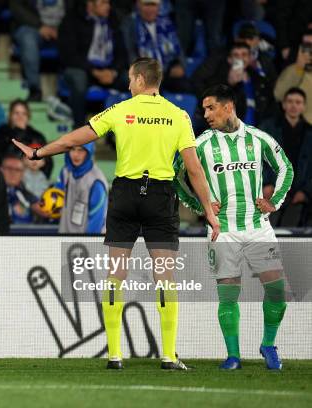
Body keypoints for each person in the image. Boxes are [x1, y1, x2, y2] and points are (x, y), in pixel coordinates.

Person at [13, 57, 219, 370]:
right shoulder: (178, 115)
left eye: (129, 78)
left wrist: (38, 152)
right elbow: (194, 169)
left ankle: (114, 355)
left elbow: (75, 139)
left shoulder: (121, 110)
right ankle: (168, 355)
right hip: (160, 196)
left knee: (115, 275)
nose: (127, 84)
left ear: (138, 79)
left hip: (125, 194)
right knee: (164, 275)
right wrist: (209, 212)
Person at [174, 84, 294, 370]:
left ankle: (268, 345)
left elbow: (286, 168)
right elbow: (175, 176)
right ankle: (233, 356)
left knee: (277, 291)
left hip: (257, 227)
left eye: (210, 107)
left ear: (229, 107)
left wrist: (274, 201)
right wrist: (200, 207)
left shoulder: (257, 138)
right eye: (203, 109)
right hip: (222, 229)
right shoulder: (201, 143)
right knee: (229, 291)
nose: (205, 114)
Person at [58, 0, 128, 127]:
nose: (108, 7)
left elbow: (122, 54)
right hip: (82, 69)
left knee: (136, 80)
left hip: (108, 71)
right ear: (90, 4)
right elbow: (69, 55)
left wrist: (113, 71)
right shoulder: (72, 20)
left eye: (108, 3)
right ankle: (78, 128)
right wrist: (94, 71)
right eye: (103, 3)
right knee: (78, 79)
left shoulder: (113, 20)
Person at [260, 87, 312, 227]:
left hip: (298, 195)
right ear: (283, 105)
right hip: (272, 191)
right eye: (290, 101)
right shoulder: (268, 128)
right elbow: (256, 158)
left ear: (304, 106)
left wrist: (305, 192)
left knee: (292, 235)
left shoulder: (309, 133)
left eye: (298, 102)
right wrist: (265, 184)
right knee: (268, 235)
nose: (293, 105)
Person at [192, 42, 275, 127]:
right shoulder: (219, 79)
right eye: (236, 55)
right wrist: (229, 83)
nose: (240, 58)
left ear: (250, 58)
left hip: (255, 129)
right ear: (230, 59)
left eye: (244, 54)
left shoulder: (258, 79)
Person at [0, 99, 52, 178]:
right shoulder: (1, 133)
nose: (20, 116)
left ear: (28, 116)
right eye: (16, 113)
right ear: (10, 115)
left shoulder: (37, 136)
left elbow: (48, 163)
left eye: (23, 113)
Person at [56, 142, 108, 233]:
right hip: (64, 236)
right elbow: (56, 196)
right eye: (72, 149)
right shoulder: (65, 171)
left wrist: (88, 243)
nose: (76, 154)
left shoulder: (96, 182)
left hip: (87, 241)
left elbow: (96, 222)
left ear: (89, 152)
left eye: (81, 150)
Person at [121, 0, 183, 71]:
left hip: (169, 71)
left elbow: (179, 50)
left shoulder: (167, 23)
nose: (150, 9)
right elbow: (130, 53)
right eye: (146, 5)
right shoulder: (130, 25)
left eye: (153, 5)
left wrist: (180, 66)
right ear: (138, 5)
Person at [274, 30, 312, 125]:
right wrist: (298, 69)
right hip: (300, 130)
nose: (309, 50)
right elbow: (278, 95)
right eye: (306, 45)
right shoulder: (292, 70)